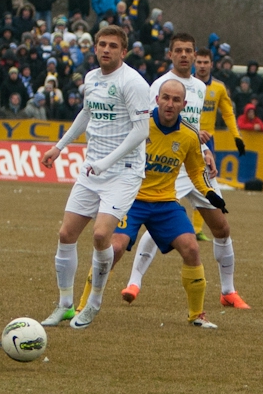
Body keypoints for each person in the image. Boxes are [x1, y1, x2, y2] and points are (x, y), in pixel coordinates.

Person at [113, 32, 249, 310]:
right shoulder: (160, 85)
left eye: (189, 50)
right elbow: (152, 124)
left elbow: (192, 126)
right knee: (157, 225)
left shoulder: (199, 87)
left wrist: (204, 151)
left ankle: (228, 291)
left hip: (194, 165)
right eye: (180, 51)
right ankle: (134, 282)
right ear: (171, 54)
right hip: (166, 168)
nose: (185, 55)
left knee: (221, 226)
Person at [39, 25, 150, 330]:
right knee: (65, 235)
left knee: (101, 236)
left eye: (112, 46)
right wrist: (59, 147)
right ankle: (64, 305)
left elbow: (142, 131)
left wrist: (107, 162)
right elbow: (86, 113)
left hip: (123, 172)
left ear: (123, 51)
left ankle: (93, 303)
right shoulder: (91, 78)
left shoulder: (133, 82)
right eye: (101, 44)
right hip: (92, 170)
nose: (105, 50)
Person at [95, 80, 226, 328]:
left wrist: (210, 194)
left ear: (184, 105)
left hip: (165, 202)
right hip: (132, 198)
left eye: (176, 100)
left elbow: (197, 172)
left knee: (191, 249)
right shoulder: (139, 126)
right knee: (114, 248)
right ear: (156, 99)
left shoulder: (189, 135)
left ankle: (197, 315)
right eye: (166, 97)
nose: (170, 103)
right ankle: (85, 305)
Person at [191, 48, 243, 242]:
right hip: (185, 136)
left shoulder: (219, 88)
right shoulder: (186, 85)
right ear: (194, 62)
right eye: (199, 62)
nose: (202, 66)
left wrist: (236, 136)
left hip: (207, 141)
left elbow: (228, 113)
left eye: (206, 62)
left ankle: (196, 228)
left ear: (212, 64)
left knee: (205, 182)